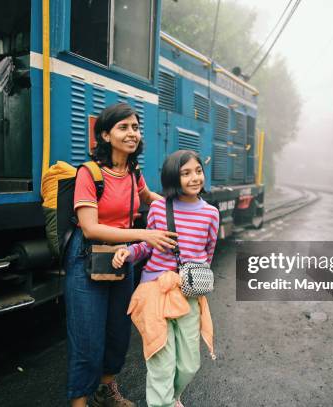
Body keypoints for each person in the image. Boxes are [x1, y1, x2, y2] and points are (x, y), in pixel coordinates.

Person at [65, 103, 178, 407]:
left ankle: (105, 391)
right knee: (87, 336)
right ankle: (78, 402)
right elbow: (89, 228)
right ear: (105, 135)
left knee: (118, 331)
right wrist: (144, 234)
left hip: (122, 256)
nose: (132, 134)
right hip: (87, 257)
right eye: (123, 127)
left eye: (135, 127)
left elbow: (149, 198)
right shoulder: (89, 173)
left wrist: (181, 207)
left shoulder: (132, 172)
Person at [112, 150, 219, 407]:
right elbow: (147, 245)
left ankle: (171, 399)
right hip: (154, 292)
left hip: (187, 293)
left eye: (198, 171)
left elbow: (208, 254)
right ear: (173, 177)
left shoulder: (211, 214)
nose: (195, 178)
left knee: (189, 364)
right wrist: (128, 252)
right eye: (186, 173)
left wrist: (192, 277)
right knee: (161, 363)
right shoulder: (160, 207)